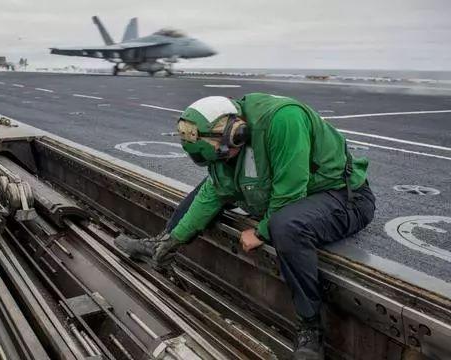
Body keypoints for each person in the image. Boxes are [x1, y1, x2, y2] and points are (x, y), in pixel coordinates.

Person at [114, 94, 375, 360]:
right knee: (203, 192)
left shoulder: (284, 119)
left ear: (237, 134)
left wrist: (261, 232)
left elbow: (290, 192)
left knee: (285, 226)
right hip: (289, 192)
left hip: (343, 196)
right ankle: (160, 245)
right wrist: (175, 240)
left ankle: (310, 328)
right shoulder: (224, 142)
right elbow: (214, 192)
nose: (221, 161)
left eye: (222, 154)